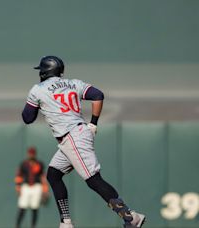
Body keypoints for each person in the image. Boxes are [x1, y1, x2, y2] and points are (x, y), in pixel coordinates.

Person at [21, 56, 146, 228]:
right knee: (53, 174)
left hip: (71, 137)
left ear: (44, 72)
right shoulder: (74, 83)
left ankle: (131, 216)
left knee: (94, 180)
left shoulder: (38, 89)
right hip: (77, 134)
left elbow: (27, 118)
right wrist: (93, 123)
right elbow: (98, 95)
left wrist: (36, 103)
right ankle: (66, 222)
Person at [14, 147, 49, 228]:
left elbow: (43, 177)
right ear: (28, 154)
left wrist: (45, 190)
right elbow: (19, 175)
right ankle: (17, 226)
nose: (31, 155)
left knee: (35, 208)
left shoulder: (39, 164)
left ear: (35, 154)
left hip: (36, 187)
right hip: (26, 187)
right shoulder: (24, 164)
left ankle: (33, 226)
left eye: (32, 153)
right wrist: (18, 187)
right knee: (22, 207)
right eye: (30, 153)